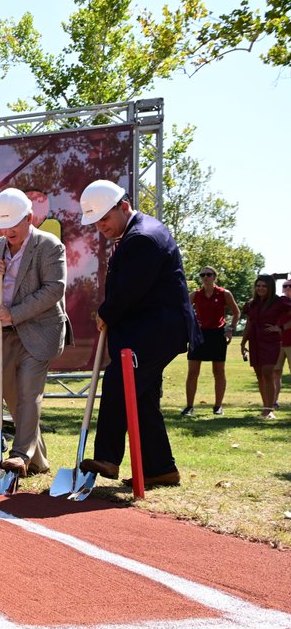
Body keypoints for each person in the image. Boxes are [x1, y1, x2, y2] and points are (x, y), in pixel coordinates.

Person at [78, 179, 201, 486]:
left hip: (155, 331)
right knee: (142, 399)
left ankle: (107, 457)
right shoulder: (139, 232)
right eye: (95, 222)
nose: (101, 227)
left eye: (104, 218)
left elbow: (130, 290)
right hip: (153, 329)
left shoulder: (142, 238)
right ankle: (160, 469)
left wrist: (105, 313)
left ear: (123, 206)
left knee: (120, 380)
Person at [0, 188, 70, 477]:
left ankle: (19, 455)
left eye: (14, 223)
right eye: (3, 225)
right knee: (11, 394)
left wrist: (14, 312)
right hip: (5, 333)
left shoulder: (49, 246)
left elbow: (55, 289)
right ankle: (38, 460)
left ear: (29, 217)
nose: (8, 231)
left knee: (29, 391)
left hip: (41, 331)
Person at [182, 266, 240, 416]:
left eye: (208, 274)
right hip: (199, 335)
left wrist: (230, 329)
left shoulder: (224, 293)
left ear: (215, 276)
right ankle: (189, 406)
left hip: (217, 335)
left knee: (218, 371)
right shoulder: (195, 295)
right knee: (193, 371)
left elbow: (236, 312)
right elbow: (184, 310)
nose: (205, 277)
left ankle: (218, 406)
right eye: (202, 275)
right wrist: (191, 326)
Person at [239, 275, 291, 419]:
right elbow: (249, 323)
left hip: (271, 341)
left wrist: (281, 327)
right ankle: (265, 407)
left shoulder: (279, 302)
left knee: (268, 372)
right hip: (254, 341)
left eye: (264, 286)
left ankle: (270, 409)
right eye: (258, 285)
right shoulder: (251, 304)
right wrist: (243, 342)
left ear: (270, 288)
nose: (260, 288)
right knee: (260, 375)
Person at [276, 280, 291, 407]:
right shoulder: (280, 302)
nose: (286, 288)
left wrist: (282, 327)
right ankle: (273, 401)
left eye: (289, 286)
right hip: (279, 343)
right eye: (284, 286)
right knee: (276, 372)